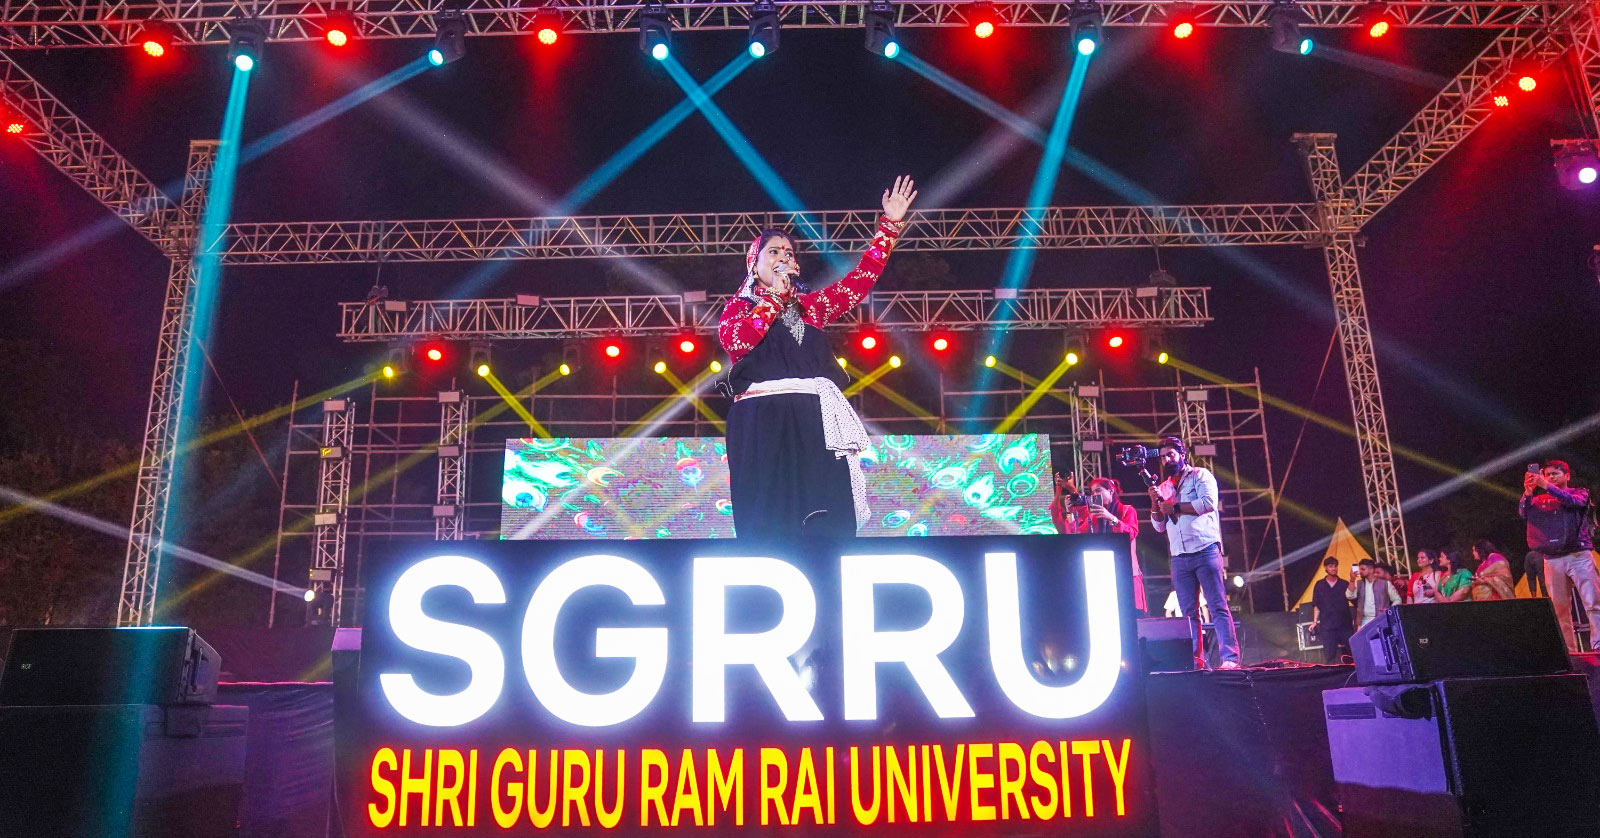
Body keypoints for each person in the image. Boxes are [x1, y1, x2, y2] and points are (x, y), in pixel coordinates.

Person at [718, 176, 917, 539]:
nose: (783, 256)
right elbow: (740, 342)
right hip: (761, 417)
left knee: (824, 512)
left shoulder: (812, 307)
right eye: (773, 252)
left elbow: (860, 280)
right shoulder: (738, 307)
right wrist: (773, 299)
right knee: (768, 514)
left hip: (814, 415)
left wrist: (889, 226)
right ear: (754, 264)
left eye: (789, 252)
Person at [1146, 436, 1240, 669]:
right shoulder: (1163, 487)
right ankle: (1196, 661)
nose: (1167, 459)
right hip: (1179, 556)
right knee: (1188, 613)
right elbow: (1158, 526)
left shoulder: (1200, 475)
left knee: (1217, 606)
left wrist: (1175, 507)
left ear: (1182, 454)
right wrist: (1154, 503)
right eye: (1163, 456)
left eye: (1171, 454)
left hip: (1205, 549)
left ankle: (1229, 658)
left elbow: (1208, 503)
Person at [1520, 459, 1599, 651]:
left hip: (1579, 555)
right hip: (1552, 559)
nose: (1550, 477)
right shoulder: (1540, 500)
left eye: (1555, 473)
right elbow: (1523, 513)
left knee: (1593, 602)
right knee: (1559, 609)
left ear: (1567, 476)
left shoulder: (1579, 492)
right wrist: (1528, 492)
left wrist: (1546, 486)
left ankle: (1598, 644)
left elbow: (1574, 502)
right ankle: (1569, 651)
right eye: (1547, 474)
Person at [1051, 473, 1146, 611]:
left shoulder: (1127, 510)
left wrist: (1112, 518)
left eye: (1098, 490)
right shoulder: (1094, 517)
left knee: (1130, 613)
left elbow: (1131, 534)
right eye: (1093, 492)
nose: (1095, 495)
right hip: (1102, 573)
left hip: (1126, 572)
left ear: (1111, 491)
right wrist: (1069, 512)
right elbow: (1075, 535)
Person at [1309, 556, 1354, 663]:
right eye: (1331, 566)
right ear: (1325, 568)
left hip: (1345, 625)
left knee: (1353, 651)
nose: (1334, 568)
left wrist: (1352, 581)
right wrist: (1314, 621)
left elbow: (1353, 598)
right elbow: (1317, 605)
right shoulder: (1319, 585)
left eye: (1335, 566)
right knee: (1330, 655)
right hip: (1328, 626)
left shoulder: (1344, 584)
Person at [1347, 558, 1400, 628]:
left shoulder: (1385, 584)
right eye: (1360, 569)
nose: (1360, 571)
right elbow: (1349, 596)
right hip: (1363, 621)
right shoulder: (1359, 584)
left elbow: (1397, 599)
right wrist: (1352, 580)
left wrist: (1389, 610)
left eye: (1363, 569)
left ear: (1371, 570)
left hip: (1381, 619)